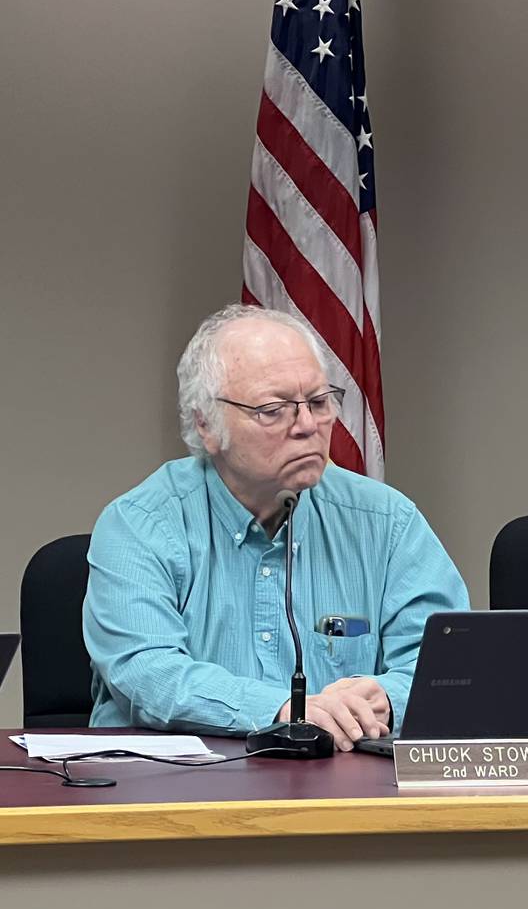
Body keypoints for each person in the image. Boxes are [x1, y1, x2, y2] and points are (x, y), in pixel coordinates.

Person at [83, 305, 468, 749]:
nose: (307, 426)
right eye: (273, 409)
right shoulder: (140, 525)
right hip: (177, 797)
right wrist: (282, 710)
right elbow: (146, 670)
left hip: (342, 794)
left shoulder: (386, 522)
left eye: (319, 403)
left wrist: (385, 698)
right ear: (205, 424)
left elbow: (447, 663)